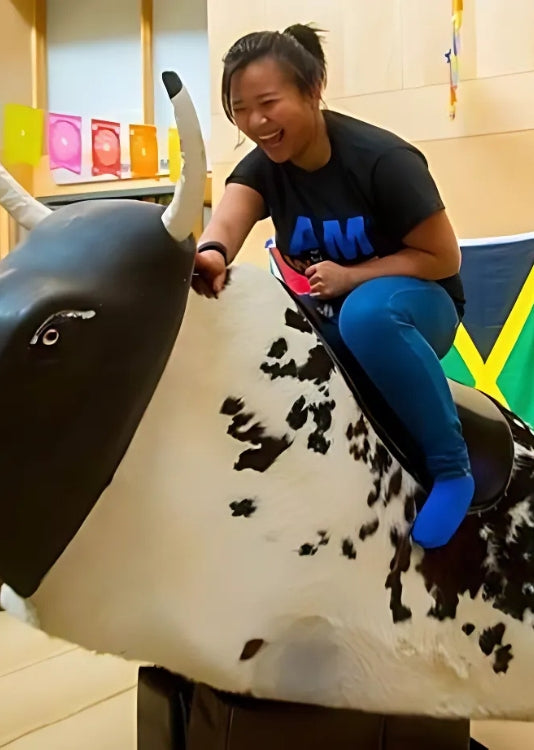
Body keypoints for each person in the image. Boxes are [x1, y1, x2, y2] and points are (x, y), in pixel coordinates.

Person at [193, 24, 473, 550]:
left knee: (365, 315)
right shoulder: (263, 168)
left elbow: (442, 258)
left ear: (313, 88)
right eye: (240, 108)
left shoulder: (382, 160)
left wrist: (352, 277)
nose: (256, 122)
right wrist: (210, 256)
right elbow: (227, 222)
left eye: (269, 103)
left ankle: (453, 470)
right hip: (332, 314)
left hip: (419, 305)